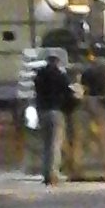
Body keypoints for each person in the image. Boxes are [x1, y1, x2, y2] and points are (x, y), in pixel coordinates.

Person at [32, 54, 72, 186]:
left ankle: (45, 173)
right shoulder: (60, 76)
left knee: (45, 144)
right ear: (57, 62)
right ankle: (53, 173)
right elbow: (68, 94)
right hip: (56, 111)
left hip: (42, 111)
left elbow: (37, 92)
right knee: (55, 144)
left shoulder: (39, 77)